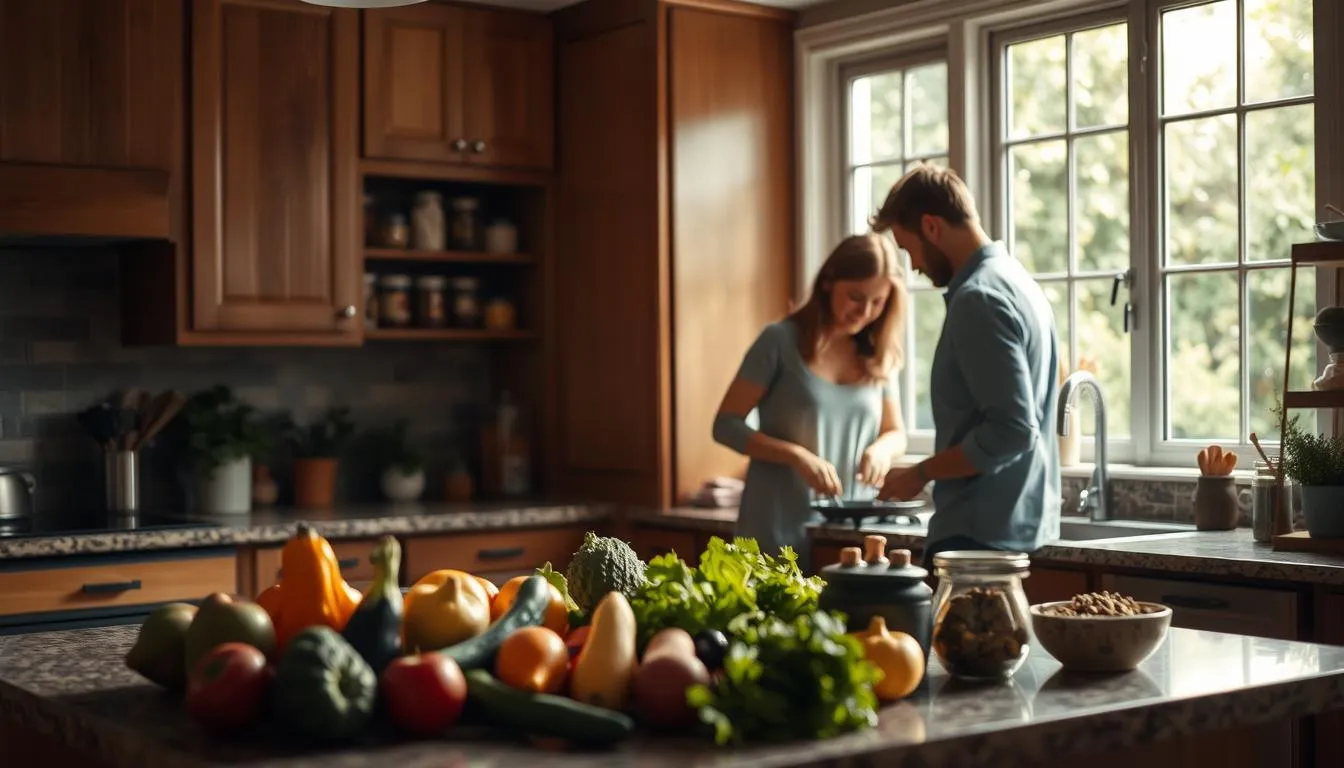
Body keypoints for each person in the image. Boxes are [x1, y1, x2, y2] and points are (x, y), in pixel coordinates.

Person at [872, 164, 1061, 566]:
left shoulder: (978, 299)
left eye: (908, 250)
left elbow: (1011, 430)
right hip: (1013, 528)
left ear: (932, 226)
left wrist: (921, 472)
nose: (915, 267)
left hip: (977, 538)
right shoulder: (1020, 281)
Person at [712, 233, 909, 562]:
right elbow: (725, 425)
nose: (865, 312)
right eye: (856, 297)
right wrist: (797, 456)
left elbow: (896, 433)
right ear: (829, 282)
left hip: (846, 537)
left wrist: (881, 451)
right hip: (773, 529)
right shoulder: (778, 341)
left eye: (878, 302)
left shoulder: (879, 353)